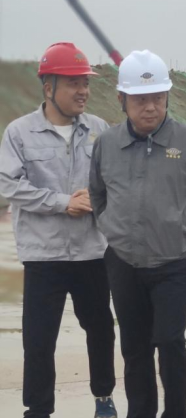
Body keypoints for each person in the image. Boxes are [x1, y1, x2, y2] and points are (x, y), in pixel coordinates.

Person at [89, 50, 186, 418]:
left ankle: (176, 412)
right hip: (123, 262)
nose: (150, 107)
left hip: (175, 262)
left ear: (167, 97)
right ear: (122, 99)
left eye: (158, 98)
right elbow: (98, 194)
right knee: (134, 347)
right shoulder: (107, 144)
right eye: (140, 99)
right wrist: (113, 229)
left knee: (169, 340)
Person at [0, 42, 117, 419]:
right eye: (73, 83)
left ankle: (104, 398)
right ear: (48, 87)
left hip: (91, 252)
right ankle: (38, 410)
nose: (83, 91)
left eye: (86, 82)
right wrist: (61, 201)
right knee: (38, 339)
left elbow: (115, 180)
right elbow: (7, 184)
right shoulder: (20, 133)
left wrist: (97, 198)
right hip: (43, 256)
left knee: (101, 330)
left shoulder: (100, 130)